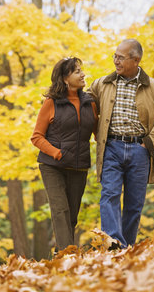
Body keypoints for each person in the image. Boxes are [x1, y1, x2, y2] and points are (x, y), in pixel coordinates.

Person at [88, 39, 154, 248]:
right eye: (114, 56)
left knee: (134, 204)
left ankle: (126, 248)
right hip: (112, 148)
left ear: (136, 60)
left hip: (140, 150)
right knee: (109, 195)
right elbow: (85, 105)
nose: (115, 61)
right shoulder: (102, 84)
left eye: (120, 57)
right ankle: (114, 244)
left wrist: (148, 144)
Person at [31, 57, 98, 252]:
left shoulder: (90, 103)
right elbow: (36, 137)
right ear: (65, 79)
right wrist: (56, 153)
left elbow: (97, 132)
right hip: (53, 165)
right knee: (60, 211)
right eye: (77, 71)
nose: (82, 74)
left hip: (79, 165)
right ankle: (69, 256)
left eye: (81, 70)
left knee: (72, 216)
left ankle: (62, 257)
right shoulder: (51, 103)